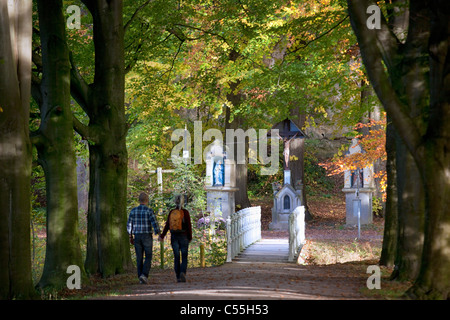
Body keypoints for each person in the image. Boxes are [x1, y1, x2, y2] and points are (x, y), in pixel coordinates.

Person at [127, 192, 161, 284]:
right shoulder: (149, 211)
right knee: (148, 256)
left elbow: (129, 225)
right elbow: (154, 223)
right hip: (147, 236)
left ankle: (140, 277)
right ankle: (144, 275)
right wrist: (158, 233)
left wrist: (130, 236)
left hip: (137, 236)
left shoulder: (133, 211)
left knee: (139, 257)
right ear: (147, 200)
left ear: (139, 200)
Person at [159, 195, 192, 283]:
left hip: (174, 236)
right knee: (184, 256)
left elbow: (167, 225)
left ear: (175, 202)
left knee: (176, 256)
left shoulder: (172, 212)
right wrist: (190, 237)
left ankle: (178, 276)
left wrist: (162, 235)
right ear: (183, 202)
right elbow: (189, 226)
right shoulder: (185, 212)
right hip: (184, 236)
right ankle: (183, 273)